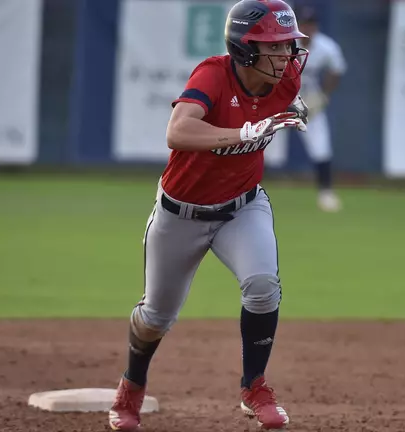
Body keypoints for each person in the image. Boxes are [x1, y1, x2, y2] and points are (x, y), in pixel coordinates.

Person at [107, 0, 310, 430]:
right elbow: (177, 130)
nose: (288, 55)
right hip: (180, 213)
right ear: (244, 48)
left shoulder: (288, 78)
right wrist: (244, 132)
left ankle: (254, 387)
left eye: (289, 45)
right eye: (275, 46)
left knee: (262, 286)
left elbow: (274, 108)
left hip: (242, 206)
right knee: (155, 318)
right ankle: (131, 387)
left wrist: (291, 112)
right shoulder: (214, 74)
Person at [294, 5, 347, 212]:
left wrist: (324, 95)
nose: (307, 28)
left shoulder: (326, 47)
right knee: (258, 138)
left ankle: (326, 193)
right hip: (279, 97)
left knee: (321, 144)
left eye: (311, 24)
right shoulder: (285, 43)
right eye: (304, 24)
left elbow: (337, 69)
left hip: (308, 98)